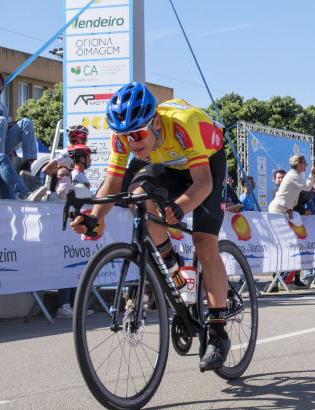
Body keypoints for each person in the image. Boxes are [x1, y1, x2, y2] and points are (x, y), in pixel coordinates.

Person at [66, 83, 235, 369]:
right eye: (125, 136)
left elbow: (203, 182)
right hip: (167, 164)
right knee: (135, 194)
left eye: (137, 134)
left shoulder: (183, 124)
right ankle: (169, 259)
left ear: (156, 122)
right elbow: (113, 181)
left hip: (206, 165)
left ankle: (218, 331)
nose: (131, 142)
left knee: (205, 243)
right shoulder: (124, 139)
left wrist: (179, 207)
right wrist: (95, 218)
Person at [0, 70, 38, 171]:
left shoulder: (3, 107)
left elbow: (3, 129)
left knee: (26, 121)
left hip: (1, 144)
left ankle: (27, 163)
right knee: (1, 120)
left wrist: (9, 126)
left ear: (2, 89)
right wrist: (7, 125)